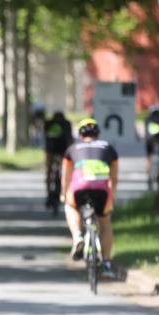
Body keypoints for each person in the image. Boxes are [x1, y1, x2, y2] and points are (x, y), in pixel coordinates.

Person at [61, 118, 119, 278]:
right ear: (98, 134)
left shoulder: (72, 149)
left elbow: (66, 176)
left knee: (70, 207)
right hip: (102, 190)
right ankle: (106, 263)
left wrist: (63, 193)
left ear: (80, 135)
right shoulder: (108, 148)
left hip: (79, 189)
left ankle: (78, 236)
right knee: (105, 223)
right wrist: (112, 194)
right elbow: (114, 177)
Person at [43, 111, 73, 209]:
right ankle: (64, 194)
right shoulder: (67, 123)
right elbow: (70, 139)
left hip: (50, 150)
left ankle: (48, 194)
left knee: (49, 171)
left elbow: (45, 136)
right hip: (63, 151)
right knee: (65, 172)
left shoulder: (49, 123)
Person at [144, 105, 159, 183]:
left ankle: (148, 176)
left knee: (149, 158)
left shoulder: (147, 119)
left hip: (149, 140)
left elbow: (146, 130)